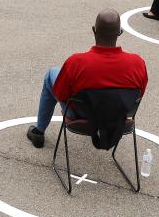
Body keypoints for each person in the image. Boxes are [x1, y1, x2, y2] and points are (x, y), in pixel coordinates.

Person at [26, 9, 148, 148]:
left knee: (51, 74)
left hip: (80, 117)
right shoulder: (137, 63)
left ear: (94, 30)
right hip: (118, 116)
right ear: (120, 32)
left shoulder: (77, 62)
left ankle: (39, 132)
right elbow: (139, 95)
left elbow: (61, 94)